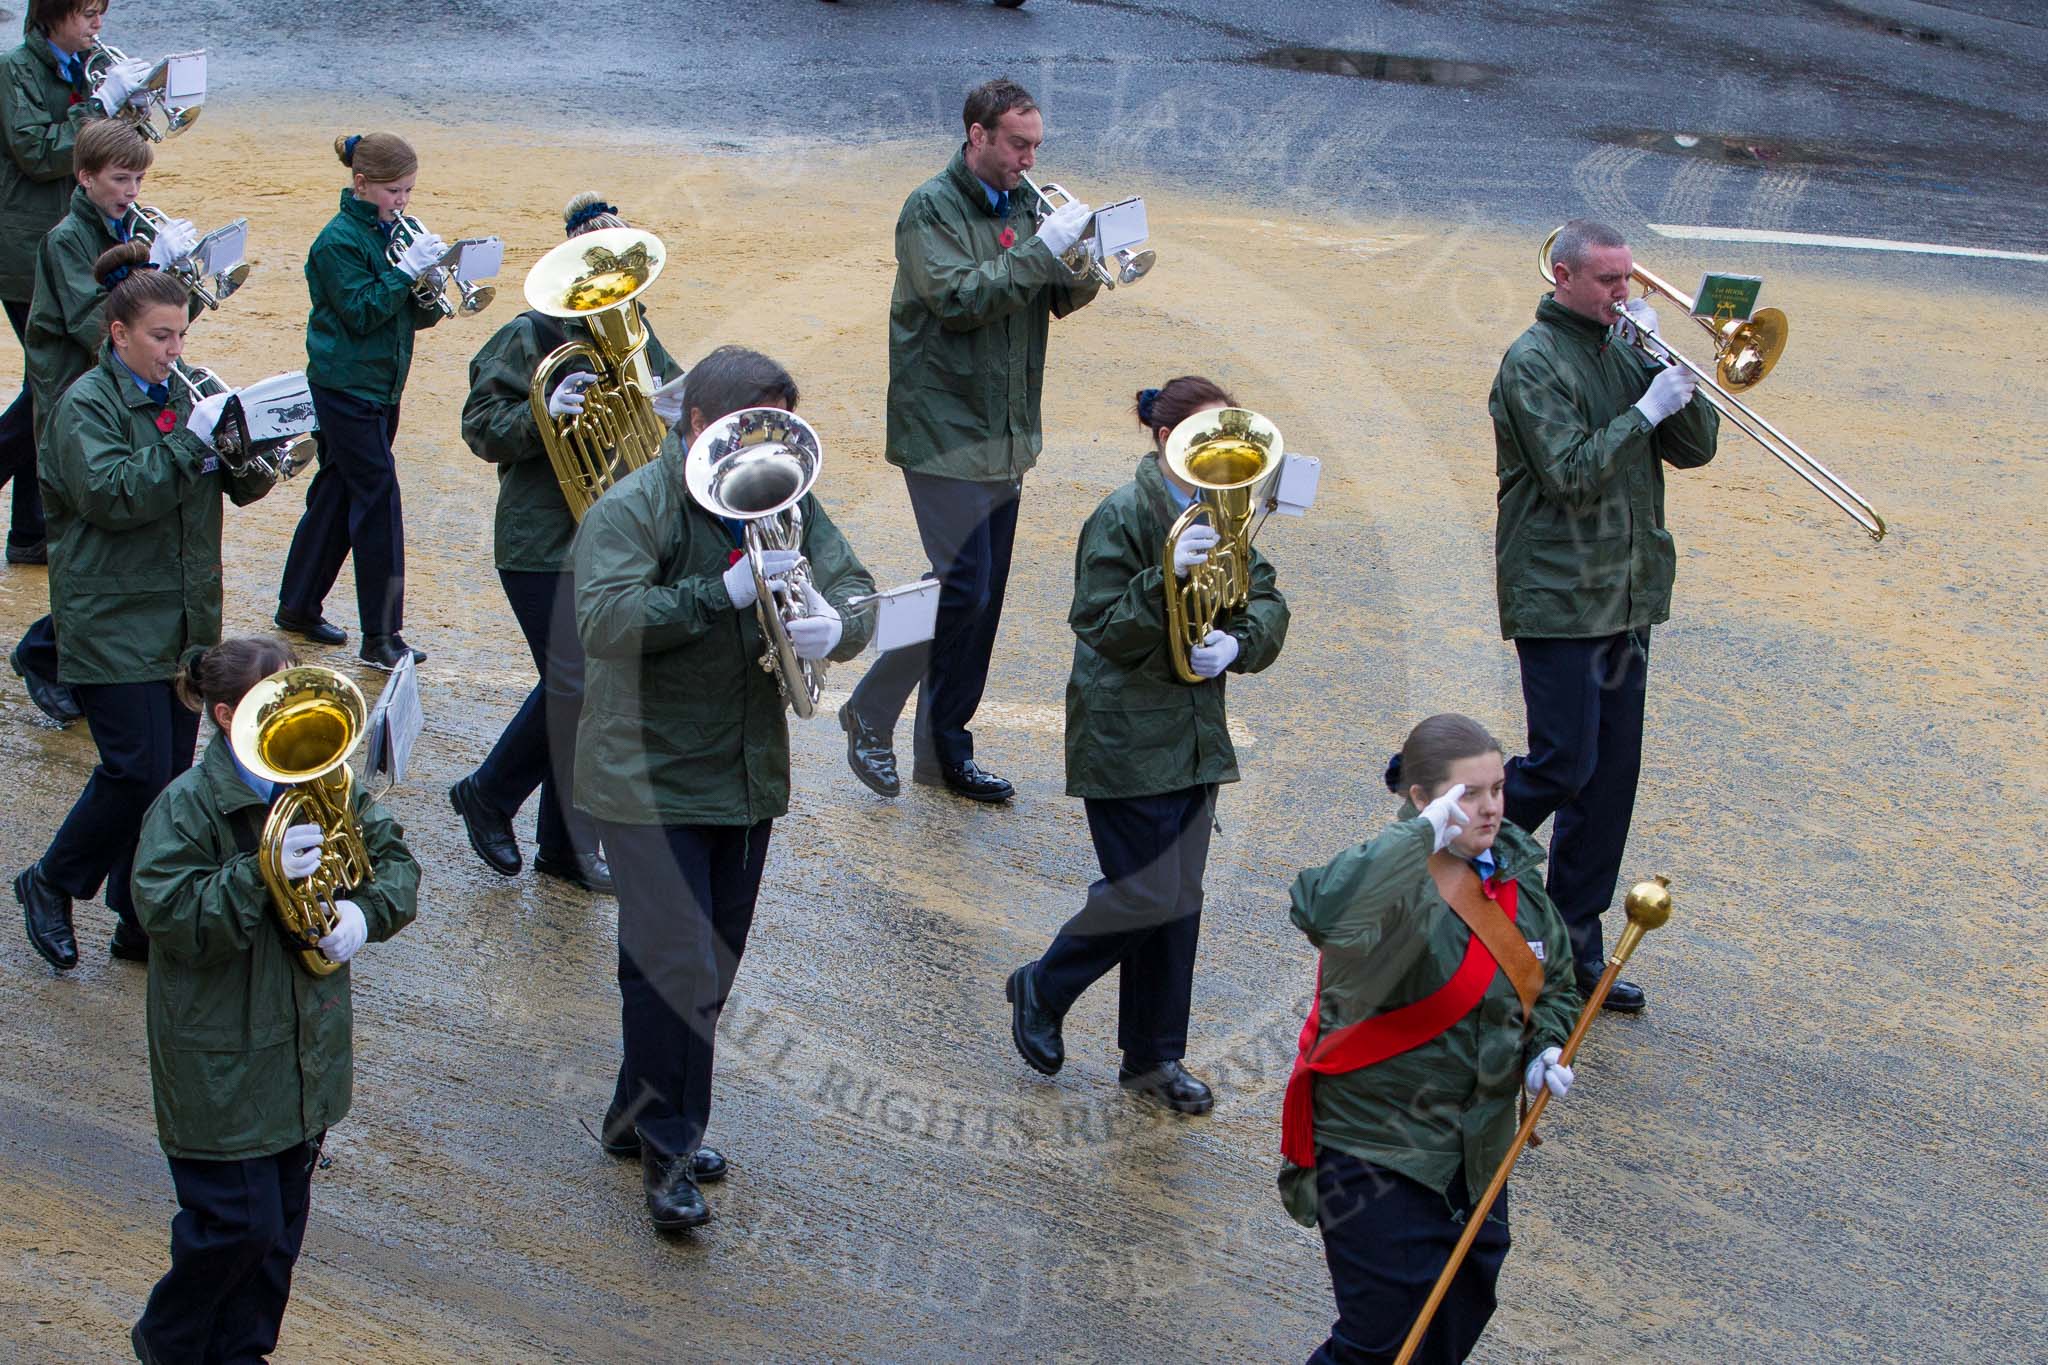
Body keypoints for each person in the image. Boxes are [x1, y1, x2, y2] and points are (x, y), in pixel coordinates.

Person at [573, 345, 874, 1232]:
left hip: (741, 775)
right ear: (699, 424)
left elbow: (853, 583)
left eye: (779, 430)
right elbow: (606, 621)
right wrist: (721, 590)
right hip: (647, 774)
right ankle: (668, 1146)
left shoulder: (782, 493)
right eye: (750, 428)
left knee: (705, 962)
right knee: (680, 968)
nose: (766, 448)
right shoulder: (635, 506)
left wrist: (836, 626)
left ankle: (635, 1114)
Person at [128, 636, 420, 1365]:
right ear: (226, 715)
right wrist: (258, 875)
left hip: (302, 1059)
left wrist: (365, 913)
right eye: (271, 703)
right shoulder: (186, 806)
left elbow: (396, 863)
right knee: (236, 1226)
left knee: (279, 1233)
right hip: (220, 1068)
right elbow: (169, 915)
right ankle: (168, 1342)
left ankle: (241, 1353)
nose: (292, 718)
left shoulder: (324, 782)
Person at [1005, 377, 1289, 1114]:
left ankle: (1154, 1055)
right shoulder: (1124, 513)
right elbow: (1097, 623)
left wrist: (1239, 640)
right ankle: (1045, 982)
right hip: (1124, 733)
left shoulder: (1228, 508)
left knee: (1179, 900)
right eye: (1197, 439)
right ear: (1163, 439)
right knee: (1147, 892)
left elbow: (1267, 597)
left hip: (1193, 734)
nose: (1213, 457)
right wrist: (1168, 581)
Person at [1279, 714, 1582, 1364]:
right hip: (1376, 1149)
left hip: (1476, 1148)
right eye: (1469, 793)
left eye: (1497, 787)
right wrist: (1419, 838)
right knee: (1380, 1343)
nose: (1491, 806)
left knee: (1458, 1309)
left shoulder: (1516, 875)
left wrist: (1543, 1049)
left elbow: (1553, 981)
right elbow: (1322, 910)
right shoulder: (1392, 882)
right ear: (1423, 797)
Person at [839, 75, 1100, 804]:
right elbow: (959, 299)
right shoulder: (930, 208)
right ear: (977, 135)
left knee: (980, 602)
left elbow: (1055, 297)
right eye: (1017, 144)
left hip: (1005, 434)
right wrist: (1043, 253)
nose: (1028, 159)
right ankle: (872, 705)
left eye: (1036, 145)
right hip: (943, 431)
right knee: (964, 586)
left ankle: (942, 750)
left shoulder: (1022, 203)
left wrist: (1087, 256)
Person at [10, 245, 270, 969]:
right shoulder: (82, 406)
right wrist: (191, 446)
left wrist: (248, 451)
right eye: (161, 336)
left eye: (182, 334)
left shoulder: (182, 396)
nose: (175, 349)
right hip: (111, 617)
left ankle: (135, 918)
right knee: (134, 772)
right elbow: (113, 495)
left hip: (182, 619)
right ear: (119, 334)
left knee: (166, 784)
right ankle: (50, 880)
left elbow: (237, 490)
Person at [1488, 217, 1718, 1014]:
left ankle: (1573, 946)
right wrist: (1645, 410)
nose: (1628, 294)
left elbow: (1698, 450)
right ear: (1563, 277)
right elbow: (1571, 475)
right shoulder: (1531, 362)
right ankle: (1445, 842)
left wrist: (1667, 368)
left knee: (1610, 780)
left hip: (1625, 596)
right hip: (1559, 595)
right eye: (1611, 281)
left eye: (1631, 280)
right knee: (1564, 765)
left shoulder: (1627, 349)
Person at [446, 191, 686, 895]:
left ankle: (565, 845)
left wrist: (680, 406)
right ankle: (488, 793)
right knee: (577, 684)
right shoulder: (530, 334)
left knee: (595, 691)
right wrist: (538, 412)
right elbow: (479, 422)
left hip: (609, 539)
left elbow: (663, 392)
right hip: (541, 542)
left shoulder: (633, 325)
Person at [12, 117, 194, 727]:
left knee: (114, 550)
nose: (132, 191)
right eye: (120, 179)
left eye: (139, 177)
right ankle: (43, 653)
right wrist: (148, 278)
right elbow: (94, 324)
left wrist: (173, 276)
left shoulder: (122, 225)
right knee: (89, 547)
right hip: (75, 396)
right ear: (85, 177)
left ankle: (54, 652)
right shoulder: (67, 238)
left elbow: (142, 322)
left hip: (118, 393)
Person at [272, 131, 446, 670]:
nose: (403, 201)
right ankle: (382, 635)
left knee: (339, 493)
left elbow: (413, 314)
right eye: (394, 191)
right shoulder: (337, 242)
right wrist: (404, 272)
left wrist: (432, 284)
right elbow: (363, 311)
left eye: (409, 191)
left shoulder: (390, 231)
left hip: (378, 385)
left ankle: (298, 605)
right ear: (361, 182)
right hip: (344, 390)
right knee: (378, 503)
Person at [0, 0, 149, 566]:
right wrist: (99, 106)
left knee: (49, 382)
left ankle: (29, 532)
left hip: (81, 238)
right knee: (50, 385)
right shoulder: (14, 69)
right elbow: (37, 152)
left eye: (99, 14)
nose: (96, 25)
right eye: (87, 13)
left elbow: (104, 155)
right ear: (52, 14)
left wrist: (129, 112)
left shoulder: (80, 65)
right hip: (28, 247)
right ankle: (30, 530)